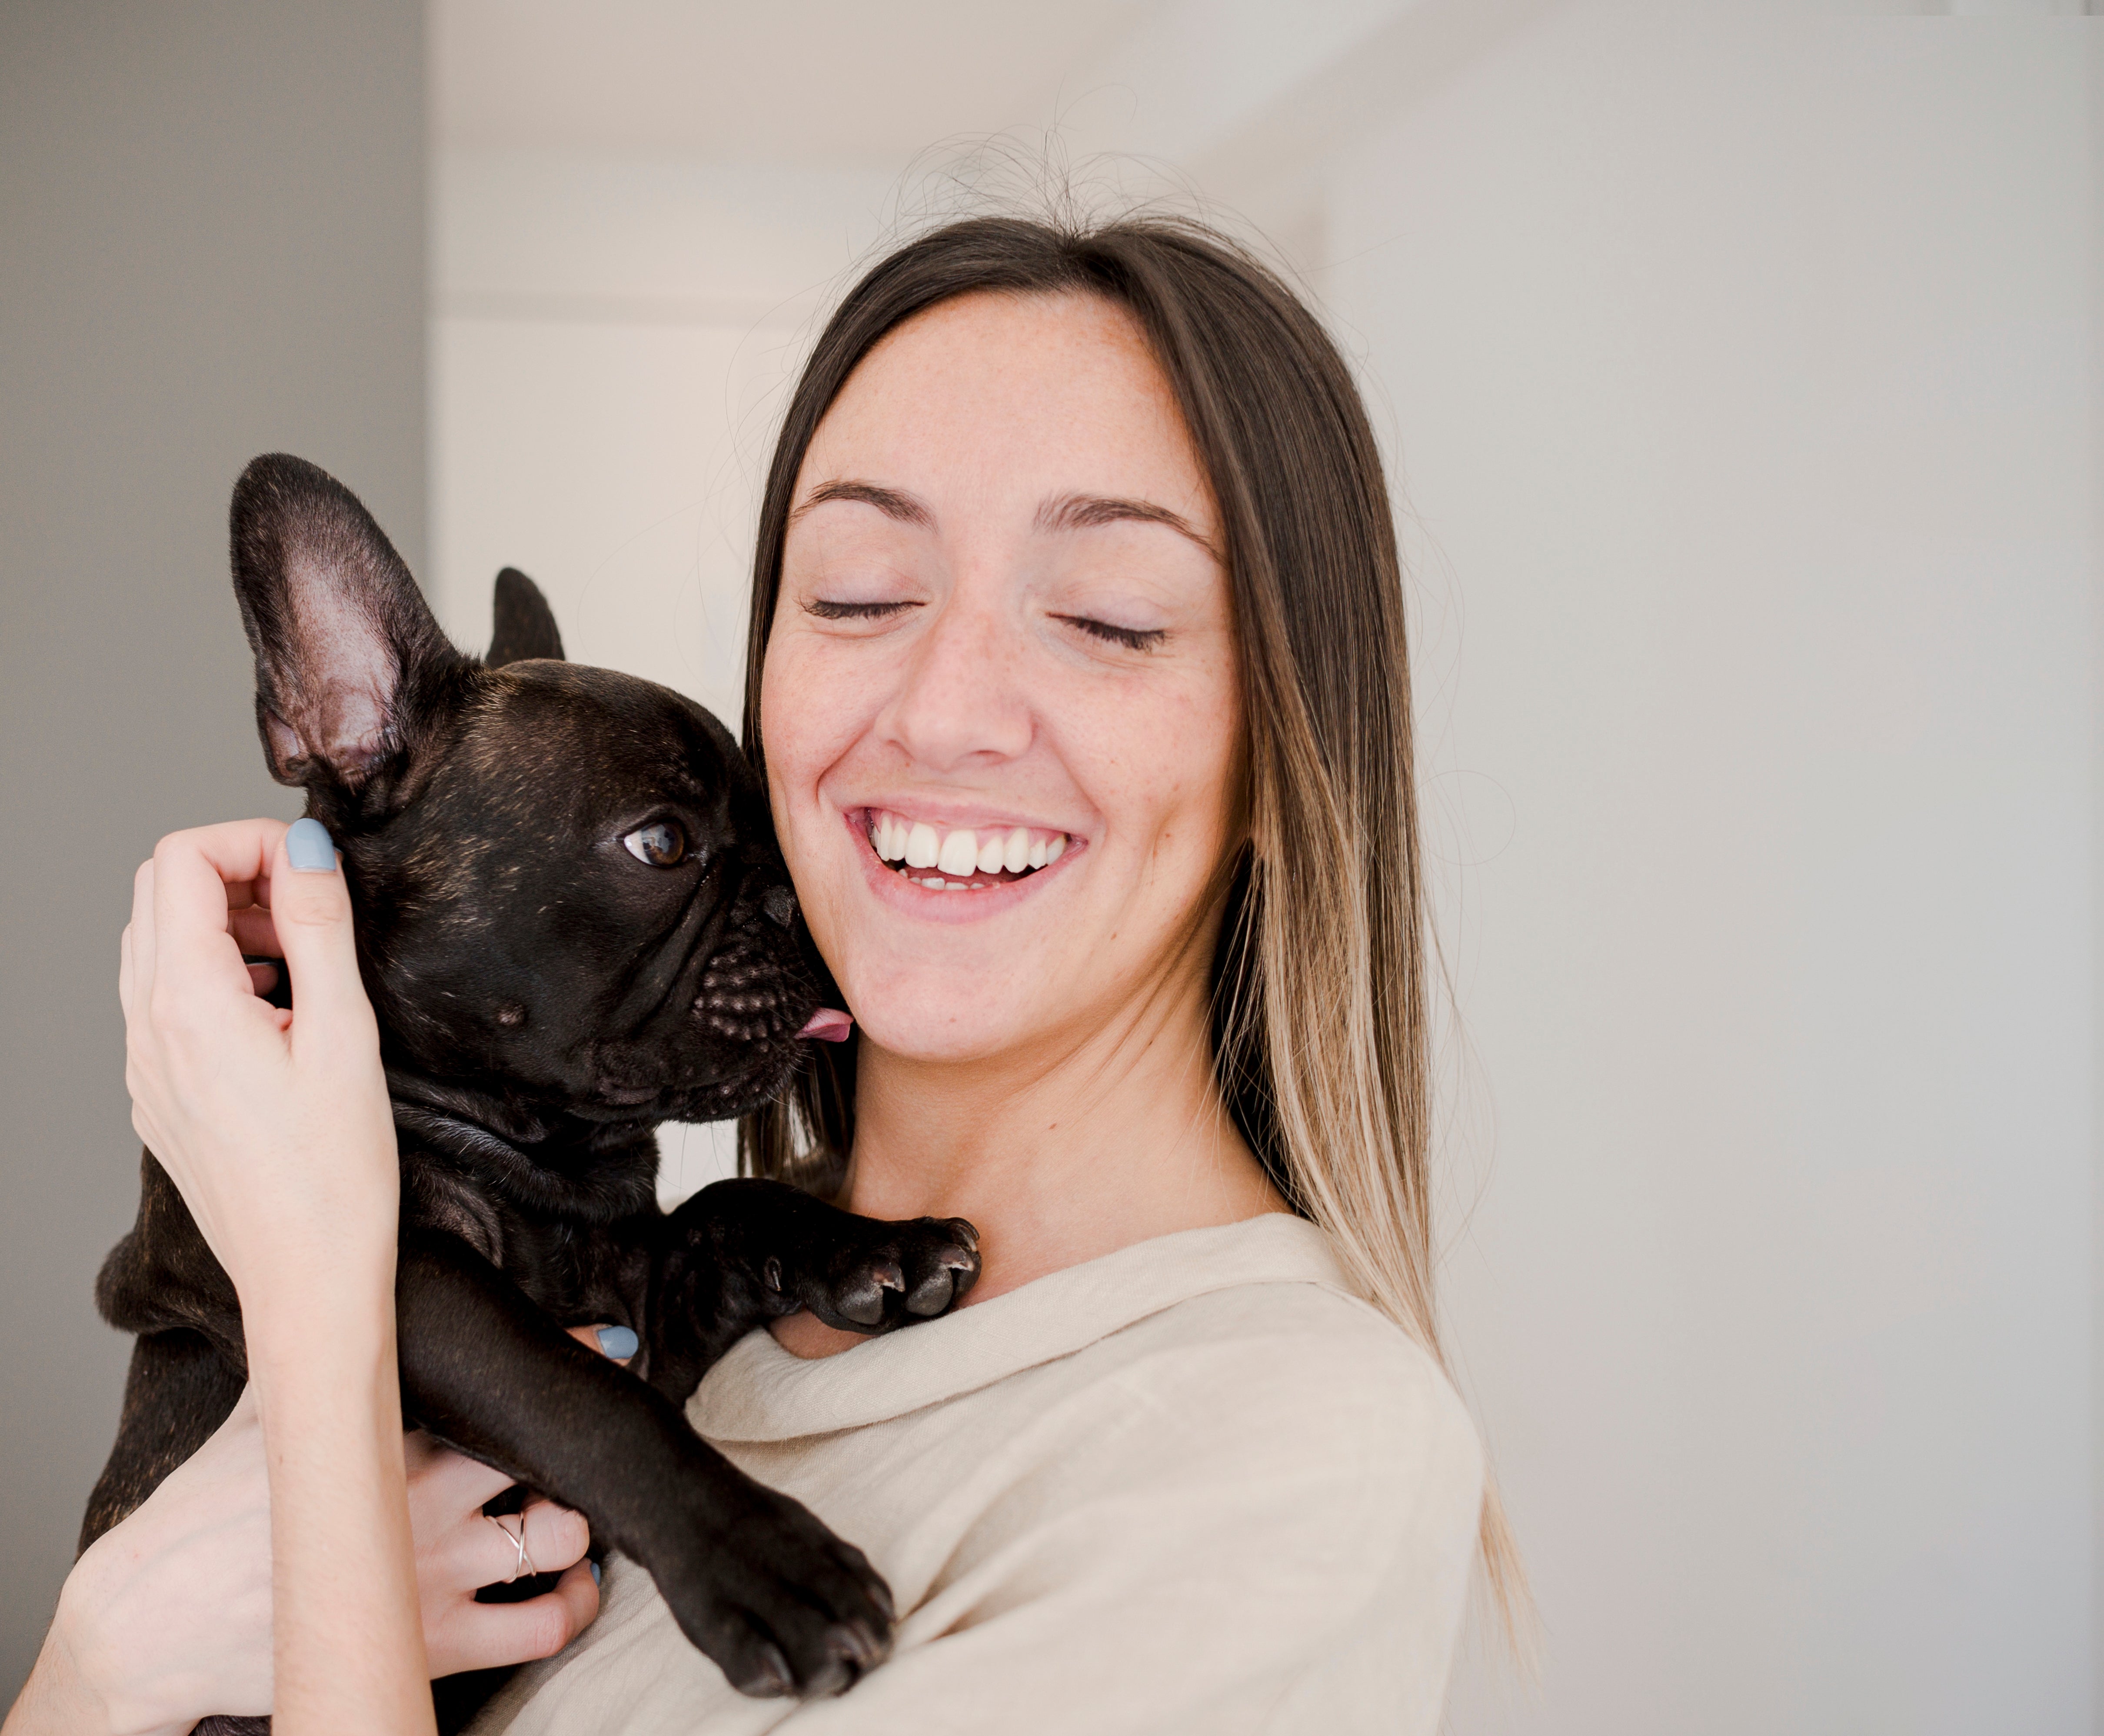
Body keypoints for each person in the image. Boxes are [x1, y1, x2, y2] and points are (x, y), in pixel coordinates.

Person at [6, 212, 1515, 1736]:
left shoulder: (1286, 1448)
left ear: (1289, 752)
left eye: (1109, 616)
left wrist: (319, 1411)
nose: (947, 707)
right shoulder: (698, 1282)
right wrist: (103, 1659)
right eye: (860, 590)